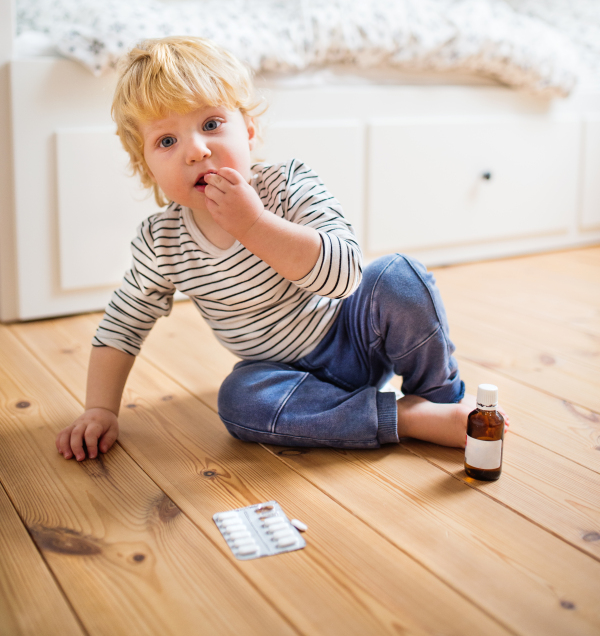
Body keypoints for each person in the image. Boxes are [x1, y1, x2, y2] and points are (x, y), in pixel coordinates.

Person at [56, 37, 490, 462]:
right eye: (166, 141)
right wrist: (100, 409)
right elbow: (122, 325)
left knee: (400, 275)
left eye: (210, 124)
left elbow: (344, 277)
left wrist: (255, 224)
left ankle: (440, 399)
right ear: (146, 168)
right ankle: (406, 418)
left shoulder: (287, 185)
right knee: (239, 401)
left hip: (354, 334)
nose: (197, 151)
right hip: (281, 375)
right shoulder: (163, 242)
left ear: (247, 131)